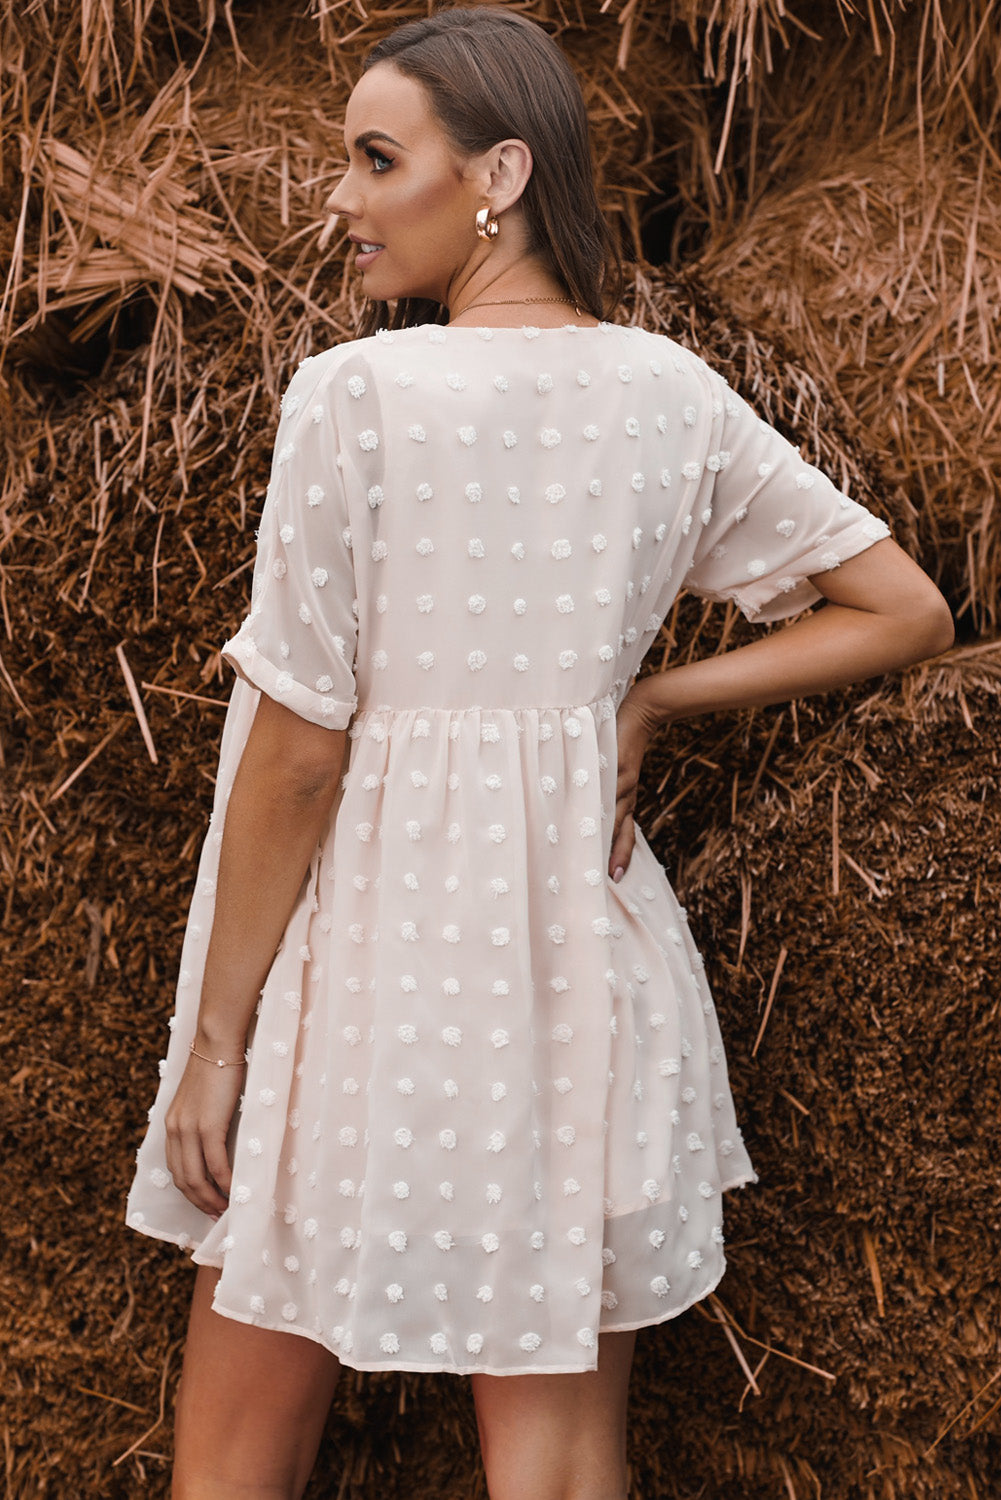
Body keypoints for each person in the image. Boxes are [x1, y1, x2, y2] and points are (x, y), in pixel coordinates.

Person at [125, 7, 954, 1498]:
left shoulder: (355, 397)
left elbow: (301, 753)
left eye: (377, 161)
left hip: (363, 963)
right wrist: (643, 702)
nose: (339, 201)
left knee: (237, 1456)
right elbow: (901, 608)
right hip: (572, 968)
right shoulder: (667, 395)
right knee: (562, 1465)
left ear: (496, 171)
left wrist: (219, 1042)